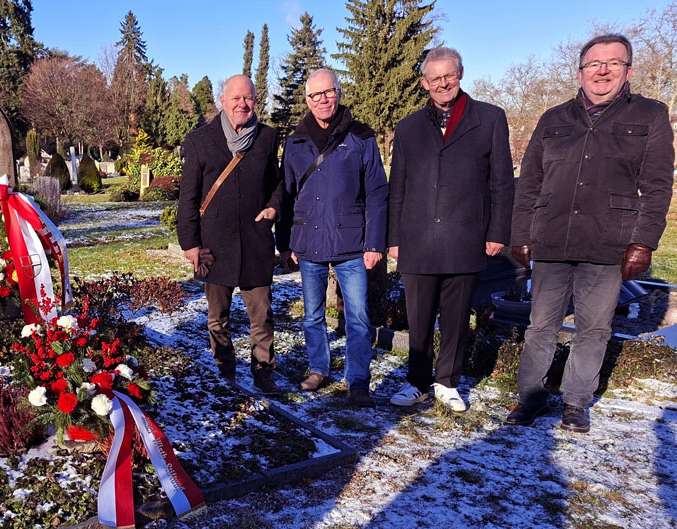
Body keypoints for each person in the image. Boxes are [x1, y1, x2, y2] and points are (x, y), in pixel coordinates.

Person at [507, 34, 674, 433]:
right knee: (540, 325)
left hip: (608, 240)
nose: (602, 70)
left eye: (613, 63)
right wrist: (521, 233)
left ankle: (575, 402)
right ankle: (530, 396)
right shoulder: (553, 118)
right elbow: (529, 182)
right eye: (594, 64)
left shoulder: (650, 115)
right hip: (552, 236)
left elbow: (657, 186)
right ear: (580, 72)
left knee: (594, 329)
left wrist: (643, 242)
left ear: (627, 71)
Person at [387, 47, 515, 411]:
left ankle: (447, 382)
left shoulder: (490, 118)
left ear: (461, 74)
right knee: (419, 318)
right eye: (436, 78)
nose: (443, 83)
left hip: (465, 234)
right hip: (417, 237)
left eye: (449, 75)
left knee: (457, 317)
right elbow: (398, 187)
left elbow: (502, 182)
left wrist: (497, 232)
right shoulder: (408, 127)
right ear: (424, 83)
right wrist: (393, 238)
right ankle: (417, 382)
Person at [276, 69, 388, 406]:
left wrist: (374, 243)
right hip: (307, 241)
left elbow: (377, 192)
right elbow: (285, 194)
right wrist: (285, 245)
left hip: (351, 244)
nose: (322, 100)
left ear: (338, 93)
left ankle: (358, 380)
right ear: (307, 101)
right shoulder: (295, 141)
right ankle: (318, 368)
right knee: (313, 315)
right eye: (315, 95)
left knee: (358, 317)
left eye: (328, 92)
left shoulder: (361, 137)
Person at [177, 74, 283, 394]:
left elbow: (277, 183)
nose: (242, 104)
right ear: (222, 102)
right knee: (217, 316)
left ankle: (263, 371)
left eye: (248, 98)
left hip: (255, 241)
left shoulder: (267, 137)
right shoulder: (200, 140)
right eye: (235, 98)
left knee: (262, 315)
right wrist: (190, 243)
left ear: (256, 101)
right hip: (214, 244)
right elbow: (188, 196)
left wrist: (274, 207)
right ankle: (225, 368)